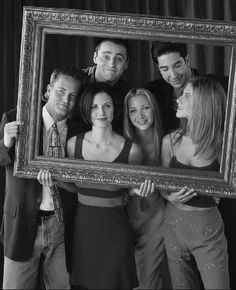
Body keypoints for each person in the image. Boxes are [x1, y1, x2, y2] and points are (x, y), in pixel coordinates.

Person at [0, 66, 86, 289]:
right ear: (48, 90)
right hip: (22, 223)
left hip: (62, 225)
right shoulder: (16, 119)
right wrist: (6, 143)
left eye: (73, 95)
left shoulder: (80, 131)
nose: (66, 99)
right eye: (60, 91)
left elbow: (82, 181)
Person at [65, 82, 155, 289]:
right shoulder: (72, 145)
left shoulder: (132, 151)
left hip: (116, 232)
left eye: (107, 106)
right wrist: (54, 181)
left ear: (115, 108)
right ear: (87, 110)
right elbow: (78, 188)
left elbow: (130, 192)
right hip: (83, 232)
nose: (101, 112)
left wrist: (137, 192)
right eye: (95, 107)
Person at [161, 76, 229, 289]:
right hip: (173, 223)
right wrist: (169, 196)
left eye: (187, 96)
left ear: (203, 103)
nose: (179, 99)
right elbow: (161, 183)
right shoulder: (169, 141)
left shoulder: (224, 145)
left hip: (207, 228)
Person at [123, 88, 166, 289]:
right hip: (129, 218)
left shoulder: (168, 141)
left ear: (154, 109)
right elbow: (111, 185)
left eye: (145, 108)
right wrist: (132, 190)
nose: (140, 115)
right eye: (133, 110)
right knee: (134, 277)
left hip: (158, 216)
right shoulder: (122, 144)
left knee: (149, 278)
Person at [146, 41, 197, 136]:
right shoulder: (152, 91)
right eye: (165, 69)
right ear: (159, 69)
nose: (173, 75)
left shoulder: (216, 87)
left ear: (187, 61)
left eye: (177, 66)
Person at [82, 37, 131, 134]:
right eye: (106, 57)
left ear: (126, 63)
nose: (112, 64)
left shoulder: (129, 95)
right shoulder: (76, 82)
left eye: (119, 59)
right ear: (95, 57)